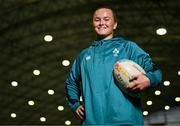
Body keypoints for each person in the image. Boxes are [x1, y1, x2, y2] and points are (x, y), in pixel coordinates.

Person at [65, 6, 162, 125]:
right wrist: (75, 104)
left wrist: (148, 79)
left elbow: (155, 71)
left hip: (125, 122)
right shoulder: (84, 55)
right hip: (92, 123)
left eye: (106, 19)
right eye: (97, 20)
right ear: (92, 24)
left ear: (115, 24)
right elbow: (71, 82)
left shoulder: (128, 47)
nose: (101, 23)